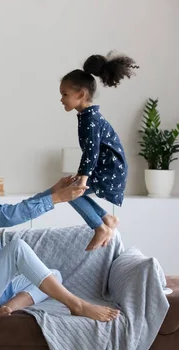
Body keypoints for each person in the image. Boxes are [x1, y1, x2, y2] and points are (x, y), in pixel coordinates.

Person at [0, 141, 120, 321]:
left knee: (54, 276)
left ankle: (6, 308)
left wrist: (53, 191)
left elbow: (12, 209)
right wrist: (56, 198)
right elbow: (6, 215)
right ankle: (77, 305)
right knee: (17, 248)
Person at [60, 52, 139, 250]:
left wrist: (83, 180)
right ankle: (107, 219)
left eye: (65, 94)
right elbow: (92, 150)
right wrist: (81, 176)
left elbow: (91, 151)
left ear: (81, 94)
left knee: (70, 193)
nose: (61, 99)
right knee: (72, 192)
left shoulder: (90, 119)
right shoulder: (87, 116)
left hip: (110, 169)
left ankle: (100, 227)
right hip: (108, 167)